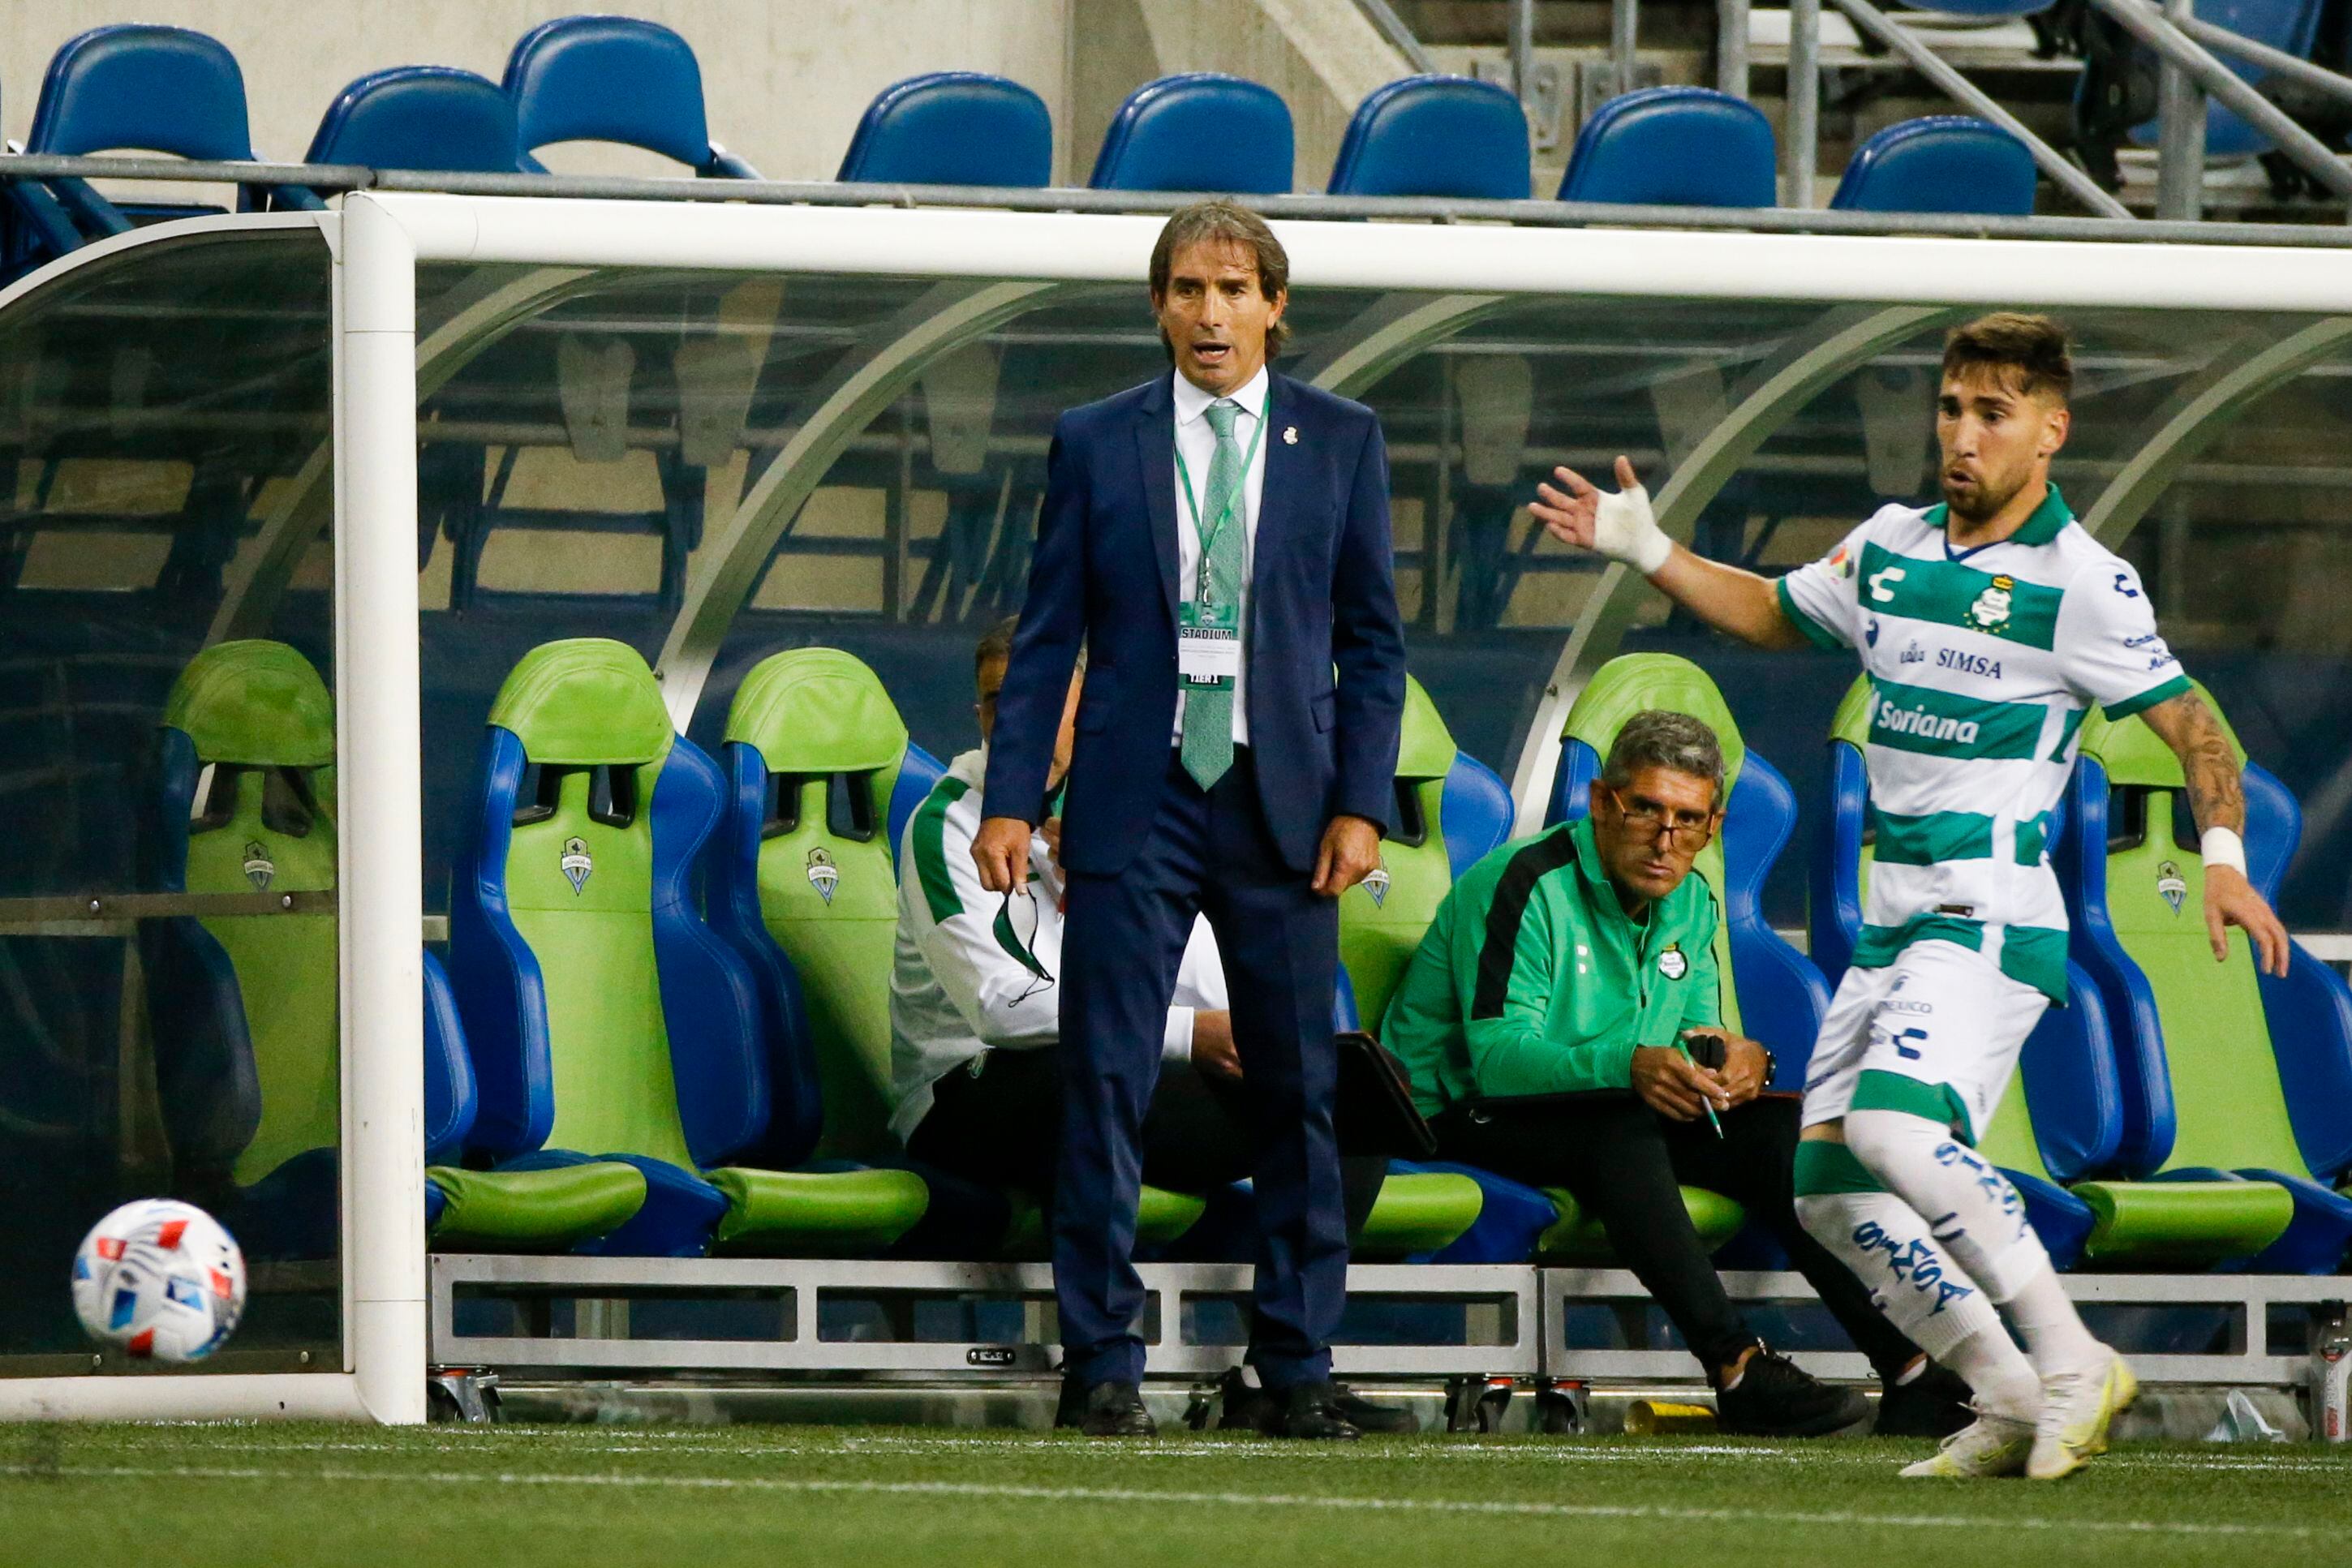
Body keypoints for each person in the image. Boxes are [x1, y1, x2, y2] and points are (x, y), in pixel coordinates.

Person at [1530, 312, 2290, 1480]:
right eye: (1948, 407)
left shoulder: (2081, 583)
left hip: (1986, 911)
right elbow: (1771, 612)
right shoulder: (1889, 544)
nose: (1960, 434)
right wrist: (1647, 548)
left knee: (1894, 1133)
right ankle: (1998, 1392)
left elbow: (2193, 727)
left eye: (1990, 413)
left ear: (2049, 431)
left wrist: (2224, 862)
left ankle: (2074, 1358)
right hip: (1890, 922)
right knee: (1827, 1193)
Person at [972, 200, 1406, 1440]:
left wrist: (1359, 806)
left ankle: (1295, 1366)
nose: (1206, 312)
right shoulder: (1095, 439)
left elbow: (1371, 644)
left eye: (1230, 289)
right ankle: (1101, 1360)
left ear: (1275, 305)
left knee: (1296, 1092)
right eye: (1183, 289)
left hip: (1280, 802)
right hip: (1133, 793)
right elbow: (1049, 628)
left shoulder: (1340, 437)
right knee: (1103, 1080)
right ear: (1156, 305)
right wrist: (1014, 797)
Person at [1381, 710, 1972, 1439]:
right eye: (1647, 811)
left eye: (1688, 820)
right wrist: (1628, 1065)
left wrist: (1740, 1060)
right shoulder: (1521, 882)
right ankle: (1735, 1367)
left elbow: (1695, 1036)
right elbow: (1498, 1059)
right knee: (1620, 1124)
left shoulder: (1690, 900)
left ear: (1712, 825)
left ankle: (1911, 1368)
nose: (1666, 841)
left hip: (1607, 1102)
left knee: (1785, 1132)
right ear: (1603, 802)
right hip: (1459, 1110)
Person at [891, 617, 1403, 1434]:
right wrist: (1185, 1035)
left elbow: (1206, 977)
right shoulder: (951, 820)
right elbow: (999, 1007)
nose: (1013, 720)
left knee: (1339, 1109)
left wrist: (1110, 879)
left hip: (1119, 1066)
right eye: (997, 702)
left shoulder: (1137, 808)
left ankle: (1279, 1372)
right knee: (1097, 1077)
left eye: (1040, 699)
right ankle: (1100, 1373)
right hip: (970, 1093)